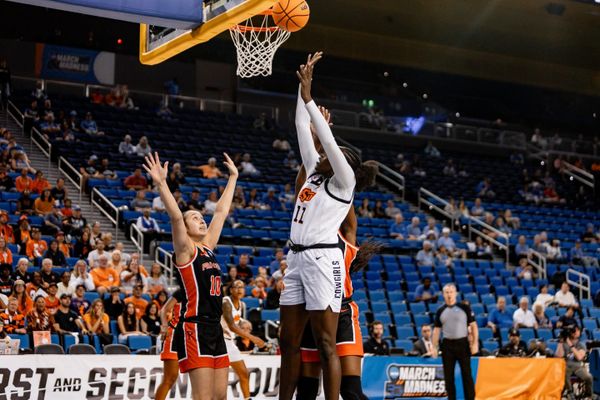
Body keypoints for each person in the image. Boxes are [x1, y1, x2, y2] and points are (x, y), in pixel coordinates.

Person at [279, 53, 379, 400]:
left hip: (324, 261)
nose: (319, 154)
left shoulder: (344, 182)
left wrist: (310, 99)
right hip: (296, 259)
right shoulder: (315, 174)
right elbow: (300, 128)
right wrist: (300, 89)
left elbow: (329, 146)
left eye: (327, 154)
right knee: (287, 341)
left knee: (325, 343)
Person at [144, 150, 238, 400]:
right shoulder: (186, 251)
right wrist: (162, 183)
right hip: (195, 328)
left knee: (220, 397)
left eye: (200, 216)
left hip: (215, 328)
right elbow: (175, 216)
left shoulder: (207, 246)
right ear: (185, 229)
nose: (201, 219)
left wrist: (233, 178)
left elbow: (220, 213)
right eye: (194, 218)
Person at [221, 280, 266, 400]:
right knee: (220, 380)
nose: (240, 289)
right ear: (231, 290)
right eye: (236, 287)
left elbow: (236, 320)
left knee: (244, 373)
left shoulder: (241, 304)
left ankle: (247, 398)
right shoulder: (226, 302)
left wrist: (244, 322)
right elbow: (231, 325)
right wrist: (253, 338)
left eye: (242, 287)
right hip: (219, 341)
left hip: (230, 342)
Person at [432, 283, 477, 400]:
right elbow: (436, 331)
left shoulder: (464, 308)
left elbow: (474, 326)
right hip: (447, 346)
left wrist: (475, 343)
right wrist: (434, 347)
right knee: (448, 377)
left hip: (462, 344)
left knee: (467, 374)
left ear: (455, 293)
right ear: (443, 294)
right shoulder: (440, 311)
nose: (449, 294)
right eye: (446, 292)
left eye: (451, 292)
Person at [155, 289, 185, 400]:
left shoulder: (204, 291)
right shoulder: (182, 291)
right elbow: (164, 310)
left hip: (193, 337)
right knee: (170, 378)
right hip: (175, 336)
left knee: (200, 377)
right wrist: (164, 326)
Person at [555, 326, 593, 398]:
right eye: (574, 330)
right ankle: (570, 392)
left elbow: (579, 357)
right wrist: (560, 342)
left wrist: (570, 344)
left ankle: (588, 396)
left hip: (577, 367)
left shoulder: (581, 344)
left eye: (577, 330)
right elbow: (559, 356)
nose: (575, 332)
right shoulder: (564, 343)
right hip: (566, 366)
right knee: (564, 371)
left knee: (589, 377)